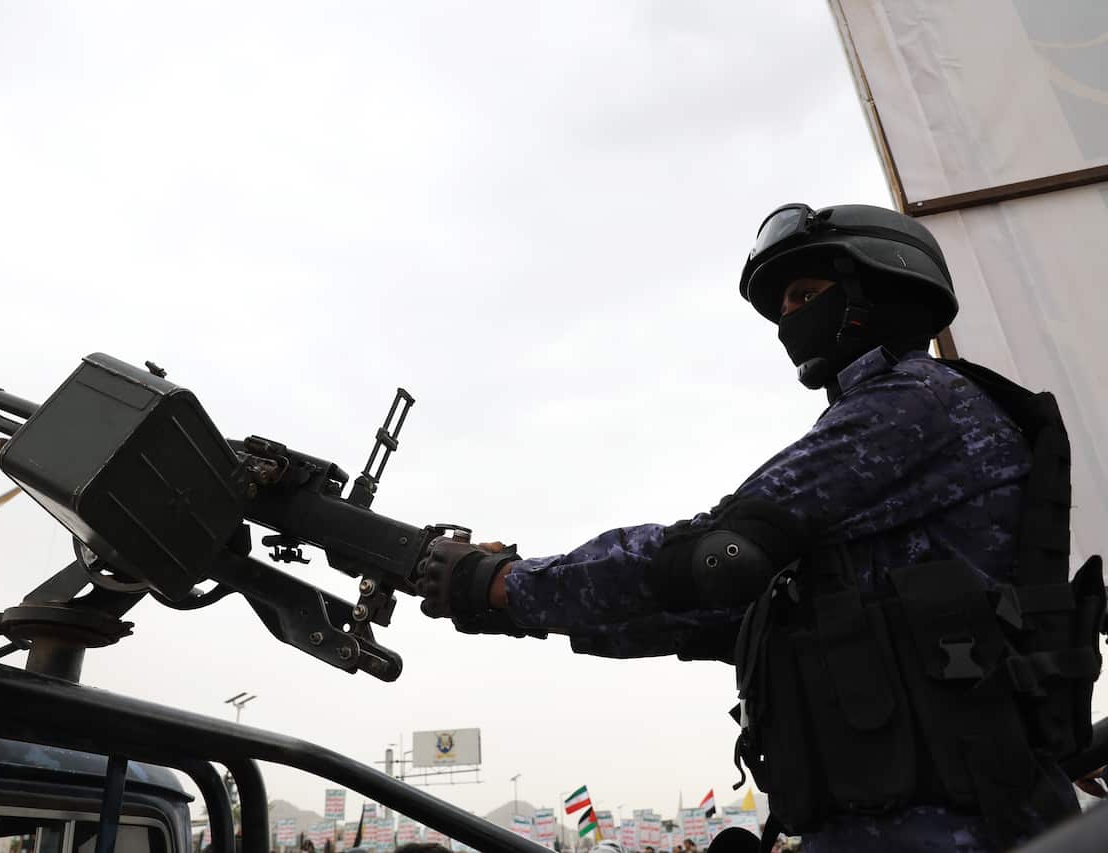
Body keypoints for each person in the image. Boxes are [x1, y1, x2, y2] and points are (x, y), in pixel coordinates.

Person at [415, 204, 1104, 852]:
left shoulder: (913, 403)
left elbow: (719, 558)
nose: (789, 321)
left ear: (878, 288)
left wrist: (503, 583)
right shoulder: (889, 448)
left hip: (951, 826)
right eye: (783, 309)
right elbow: (717, 612)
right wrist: (507, 602)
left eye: (805, 296)